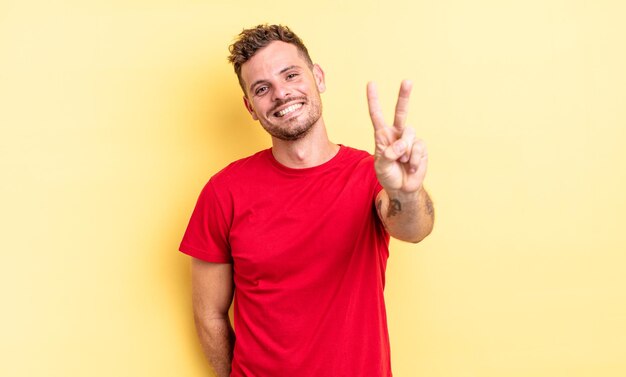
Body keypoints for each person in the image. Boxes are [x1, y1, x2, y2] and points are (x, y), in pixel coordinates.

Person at [180, 24, 434, 377]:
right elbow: (209, 313)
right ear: (250, 107)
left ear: (318, 77)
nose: (281, 94)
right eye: (262, 88)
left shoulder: (369, 175)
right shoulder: (223, 192)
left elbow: (413, 228)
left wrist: (405, 192)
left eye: (290, 75)